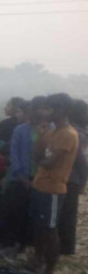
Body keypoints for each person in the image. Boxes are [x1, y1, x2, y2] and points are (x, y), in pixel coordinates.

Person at [30, 93, 79, 274]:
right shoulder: (51, 132)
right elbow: (36, 156)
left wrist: (42, 158)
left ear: (62, 110)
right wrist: (41, 136)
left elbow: (49, 163)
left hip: (53, 190)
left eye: (50, 108)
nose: (46, 112)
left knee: (50, 230)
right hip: (39, 185)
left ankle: (49, 269)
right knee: (39, 226)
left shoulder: (68, 134)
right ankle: (38, 259)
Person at [0, 101, 35, 248]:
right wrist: (21, 176)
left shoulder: (48, 130)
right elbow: (15, 154)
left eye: (21, 111)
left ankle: (23, 243)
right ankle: (5, 241)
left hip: (38, 179)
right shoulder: (20, 129)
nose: (19, 114)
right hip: (18, 177)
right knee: (9, 209)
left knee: (27, 214)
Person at [59, 99, 88, 256]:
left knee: (65, 213)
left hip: (67, 177)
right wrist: (83, 179)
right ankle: (66, 247)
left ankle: (65, 248)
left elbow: (82, 160)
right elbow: (82, 160)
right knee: (68, 214)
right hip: (72, 178)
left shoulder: (74, 132)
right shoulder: (79, 133)